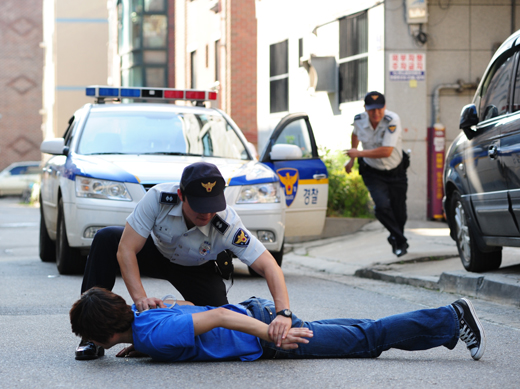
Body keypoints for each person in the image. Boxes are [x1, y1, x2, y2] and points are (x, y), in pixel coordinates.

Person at [76, 162, 292, 360]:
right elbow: (126, 249)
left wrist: (283, 313)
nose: (206, 213)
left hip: (197, 269)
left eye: (212, 205)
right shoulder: (158, 198)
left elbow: (268, 265)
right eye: (199, 206)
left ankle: (157, 342)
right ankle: (91, 336)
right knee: (106, 238)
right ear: (181, 195)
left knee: (219, 324)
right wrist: (140, 299)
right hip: (157, 254)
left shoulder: (227, 223)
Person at [70, 287, 486, 363]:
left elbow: (215, 316)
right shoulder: (146, 319)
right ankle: (447, 325)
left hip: (267, 331)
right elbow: (191, 307)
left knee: (366, 340)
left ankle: (452, 317)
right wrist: (140, 345)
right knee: (364, 330)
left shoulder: (154, 335)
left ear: (103, 335)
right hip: (260, 316)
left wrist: (272, 333)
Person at [344, 91, 409, 257]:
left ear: (385, 107)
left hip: (396, 170)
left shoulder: (392, 120)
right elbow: (356, 134)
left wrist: (358, 154)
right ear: (365, 108)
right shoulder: (359, 120)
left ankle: (396, 238)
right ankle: (400, 240)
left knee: (399, 211)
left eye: (379, 109)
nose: (376, 113)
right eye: (372, 109)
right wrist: (352, 159)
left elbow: (387, 151)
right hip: (372, 171)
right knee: (381, 207)